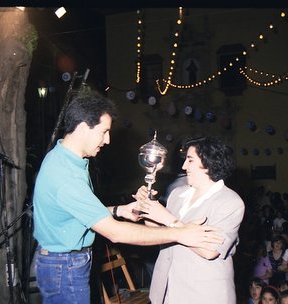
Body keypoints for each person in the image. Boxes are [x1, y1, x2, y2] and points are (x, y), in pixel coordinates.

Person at [32, 90, 223, 304]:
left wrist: (119, 210)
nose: (108, 140)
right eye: (104, 131)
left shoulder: (69, 159)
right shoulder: (65, 175)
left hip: (65, 263)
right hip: (64, 267)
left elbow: (77, 211)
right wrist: (180, 233)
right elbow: (115, 233)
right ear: (84, 127)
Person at [137, 136, 245, 304]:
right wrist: (147, 208)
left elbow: (210, 251)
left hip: (204, 293)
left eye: (190, 160)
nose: (183, 166)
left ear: (208, 163)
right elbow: (159, 234)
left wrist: (170, 220)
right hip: (167, 289)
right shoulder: (178, 194)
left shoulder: (230, 202)